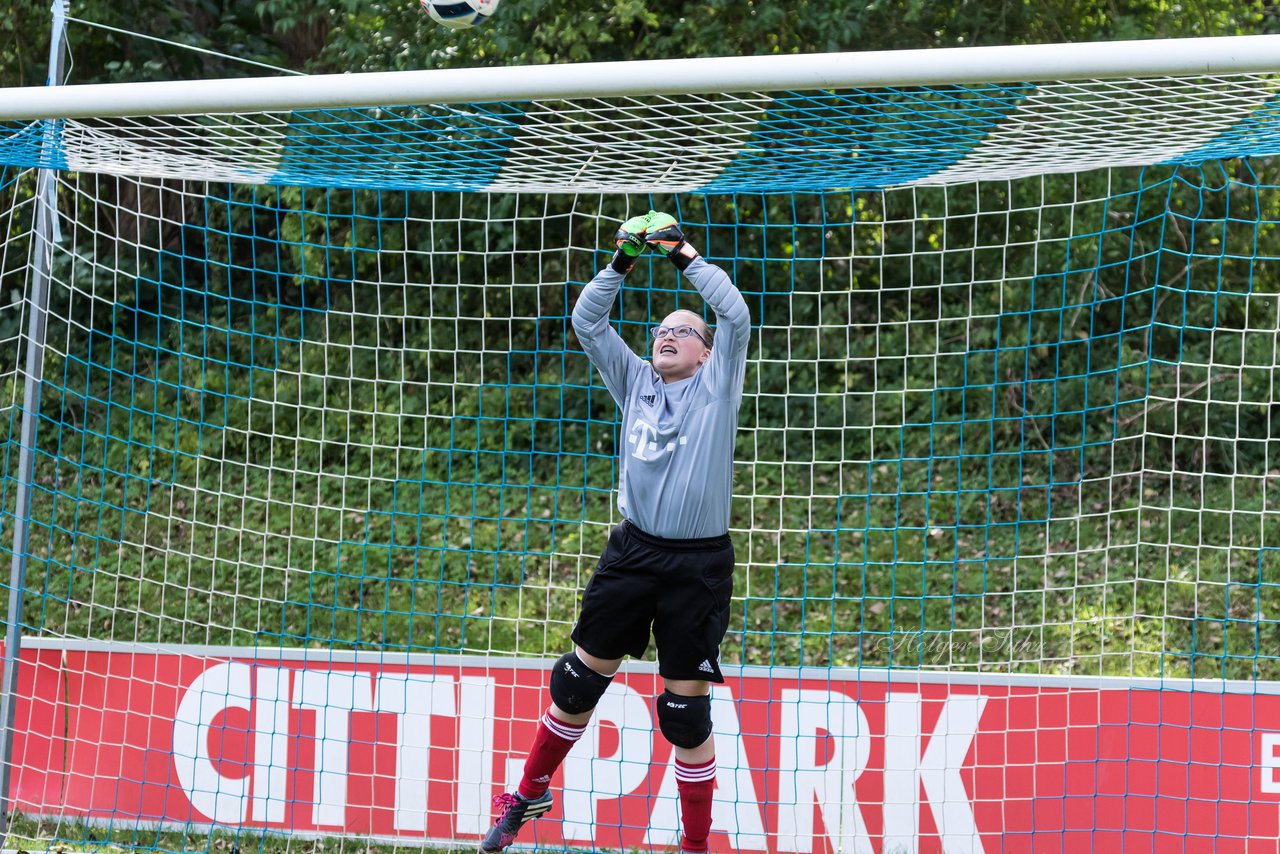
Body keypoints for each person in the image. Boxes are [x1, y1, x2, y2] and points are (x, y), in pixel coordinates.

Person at [480, 210, 751, 854]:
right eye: (660, 329)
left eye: (684, 330)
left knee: (685, 717)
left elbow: (734, 315)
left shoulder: (718, 385)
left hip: (697, 566)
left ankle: (694, 844)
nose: (668, 334)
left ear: (707, 353)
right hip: (632, 552)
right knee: (575, 685)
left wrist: (682, 252)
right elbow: (587, 323)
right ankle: (527, 793)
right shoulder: (635, 382)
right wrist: (622, 261)